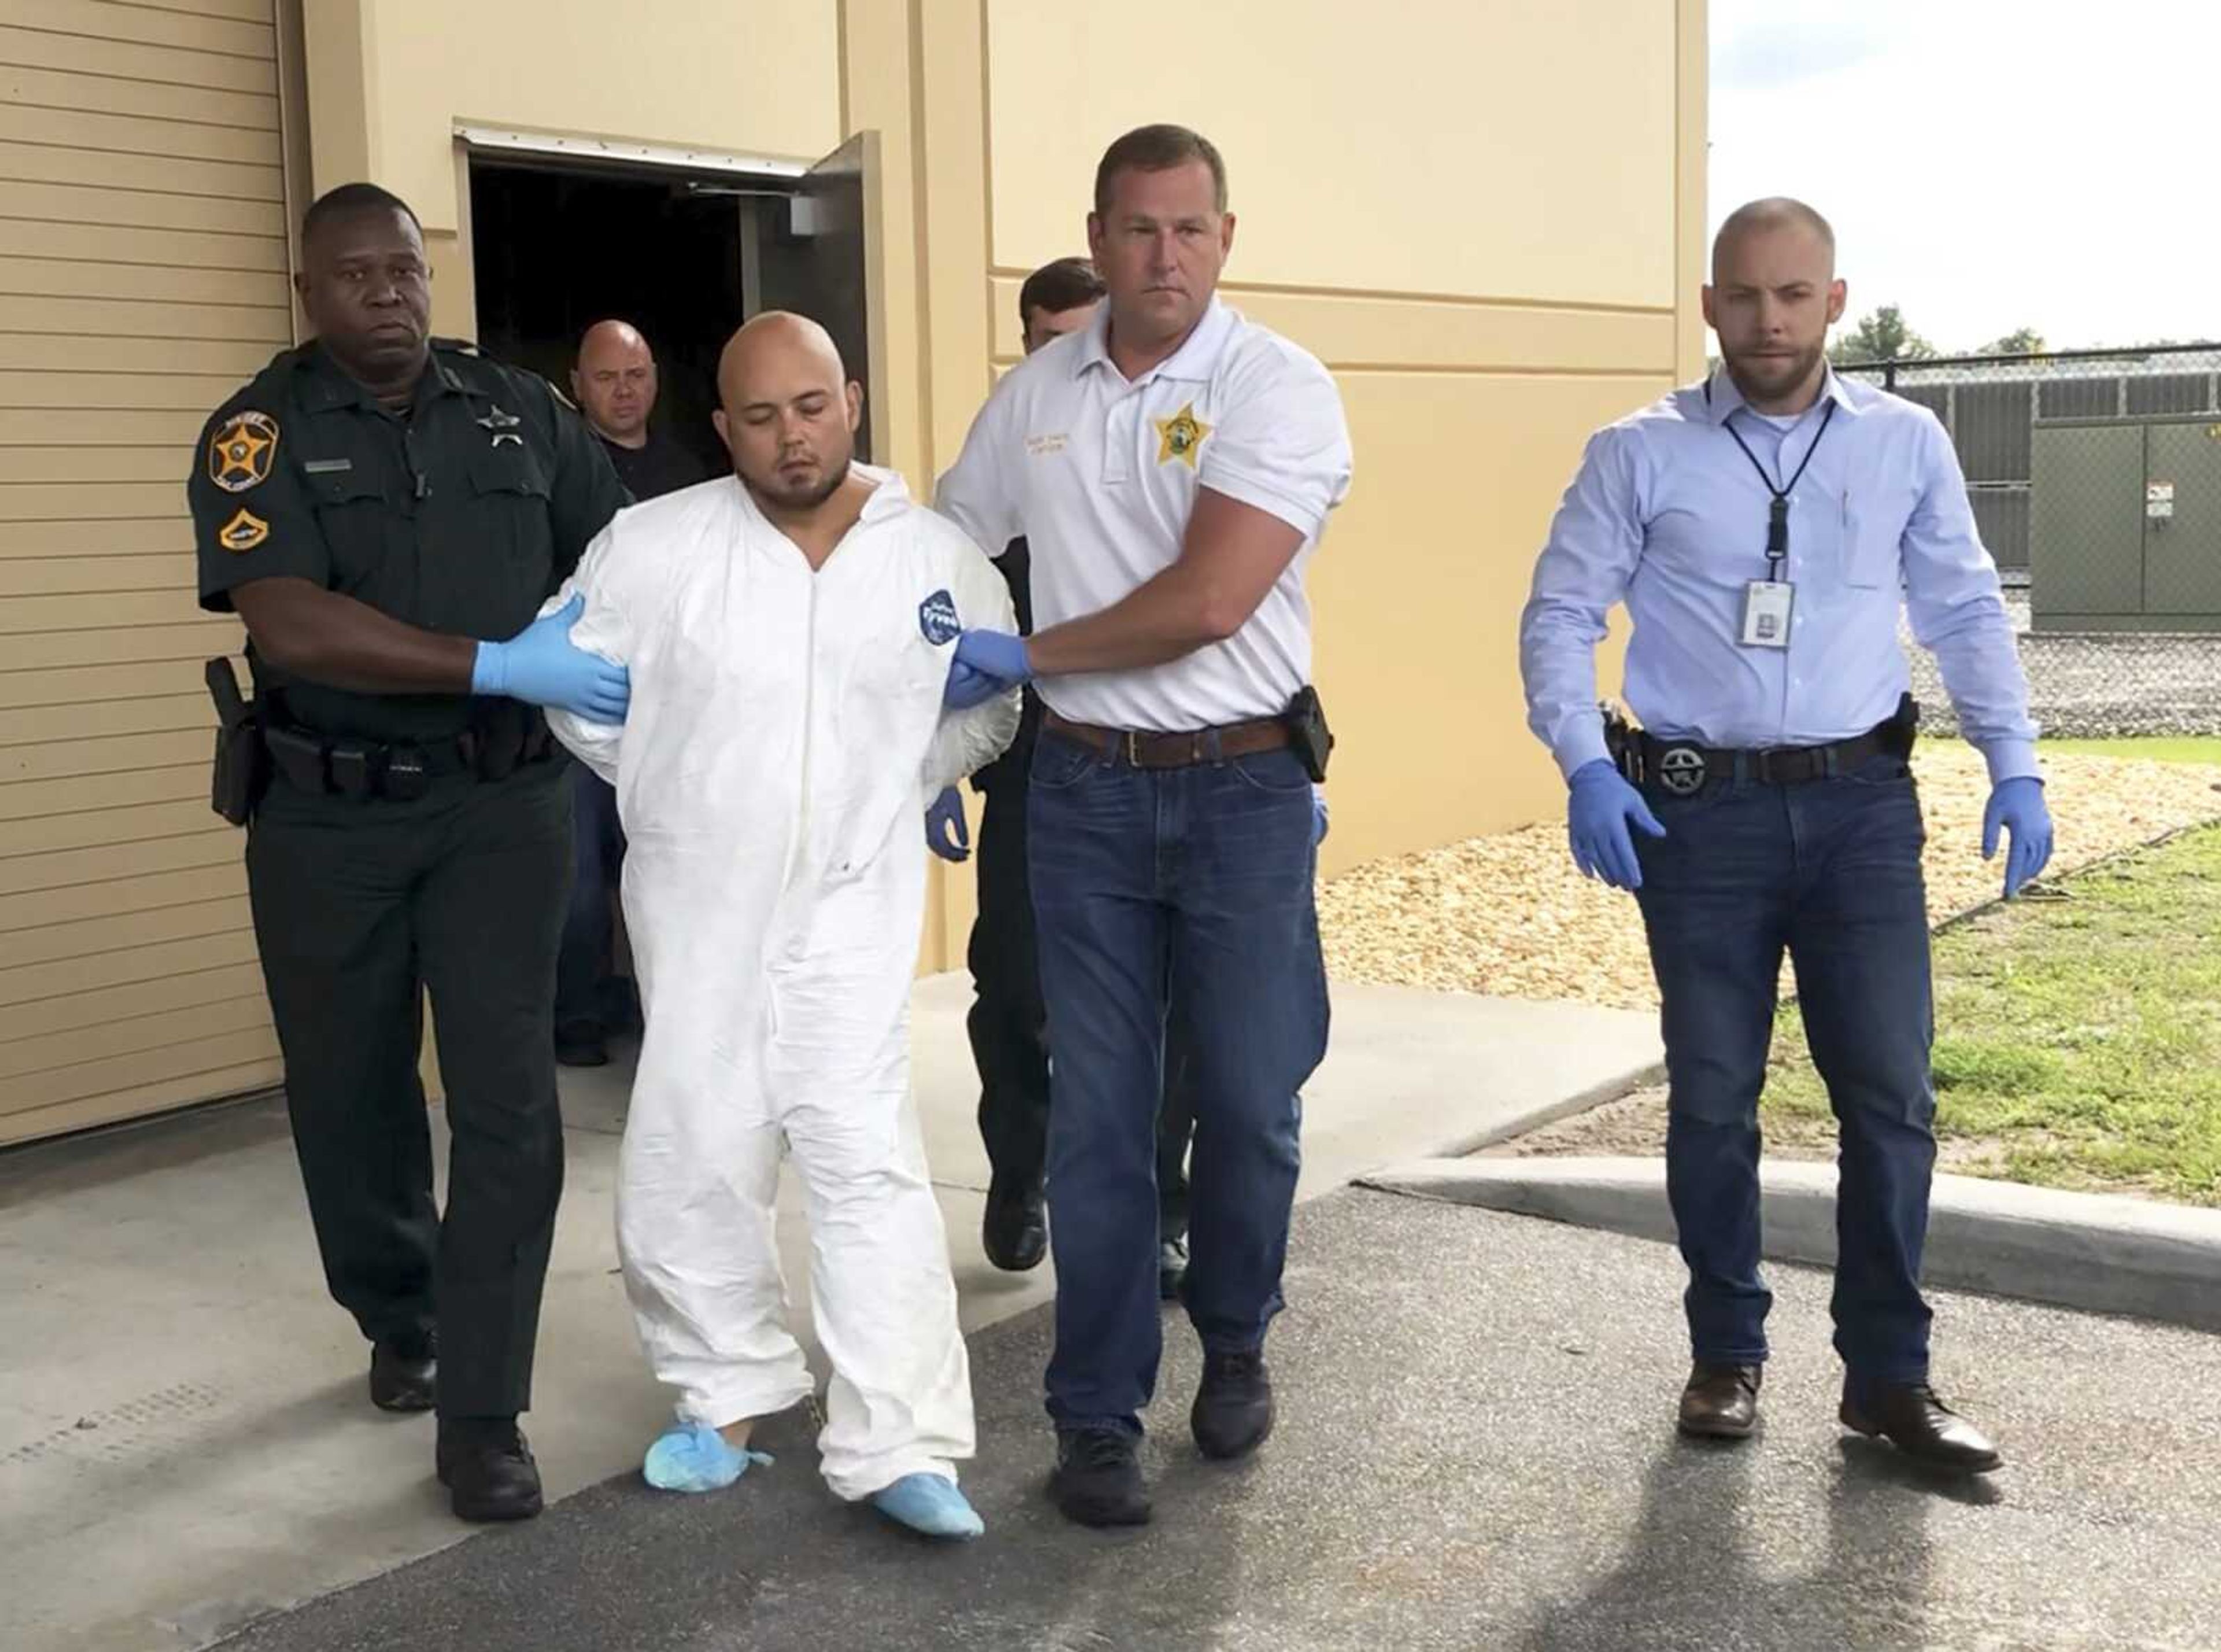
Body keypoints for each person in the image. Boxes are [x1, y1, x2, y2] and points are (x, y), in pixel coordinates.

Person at [1518, 197, 2055, 1474]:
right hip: (1697, 817)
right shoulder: (1636, 452)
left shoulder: (1903, 444)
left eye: (1795, 295)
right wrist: (1588, 765)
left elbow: (1968, 611)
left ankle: (1890, 1379)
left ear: (1834, 300)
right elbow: (1557, 615)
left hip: (1863, 811)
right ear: (1710, 305)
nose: (1770, 319)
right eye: (1746, 295)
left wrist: (2016, 765)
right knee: (1713, 1097)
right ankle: (1727, 1353)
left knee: (1891, 1097)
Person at [186, 182, 631, 1522]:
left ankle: (484, 1410)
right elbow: (294, 625)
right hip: (325, 819)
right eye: (358, 274)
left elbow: (624, 562)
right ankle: (400, 1314)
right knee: (351, 1091)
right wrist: (495, 660)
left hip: (503, 811)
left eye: (407, 269)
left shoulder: (522, 410)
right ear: (307, 288)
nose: (389, 292)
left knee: (511, 1105)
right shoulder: (256, 435)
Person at [543, 312, 1020, 1542]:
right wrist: (678, 795)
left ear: (851, 400)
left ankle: (900, 1442)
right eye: (758, 417)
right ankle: (726, 1395)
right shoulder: (653, 547)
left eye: (809, 407)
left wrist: (911, 780)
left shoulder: (936, 556)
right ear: (723, 429)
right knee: (696, 1140)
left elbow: (990, 706)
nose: (789, 437)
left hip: (852, 908)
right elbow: (582, 696)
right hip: (699, 904)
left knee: (867, 1162)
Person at [936, 124, 1350, 1528]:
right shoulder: (1039, 390)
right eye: (1135, 229)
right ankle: (1094, 1416)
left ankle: (1233, 1337)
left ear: (1225, 237)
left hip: (1240, 790)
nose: (1161, 256)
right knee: (1099, 1121)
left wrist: (1030, 654)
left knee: (1246, 1096)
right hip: (1087, 794)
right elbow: (950, 544)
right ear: (1097, 235)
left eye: (1188, 229)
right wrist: (929, 703)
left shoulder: (1274, 385)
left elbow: (1209, 601)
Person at [924, 257, 1201, 1299]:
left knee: (1171, 1005)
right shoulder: (1007, 459)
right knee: (1017, 992)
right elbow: (936, 600)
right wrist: (936, 761)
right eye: (1041, 340)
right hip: (1036, 768)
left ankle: (1164, 1210)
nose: (1061, 359)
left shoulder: (1164, 461)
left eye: (1077, 337)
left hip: (1165, 762)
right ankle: (1020, 1177)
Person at [554, 320, 713, 1067]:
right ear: (577, 384)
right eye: (608, 376)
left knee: (667, 869)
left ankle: (666, 1017)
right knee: (581, 881)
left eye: (638, 374)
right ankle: (579, 1020)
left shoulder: (690, 475)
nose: (625, 390)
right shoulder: (559, 468)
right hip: (582, 706)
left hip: (672, 710)